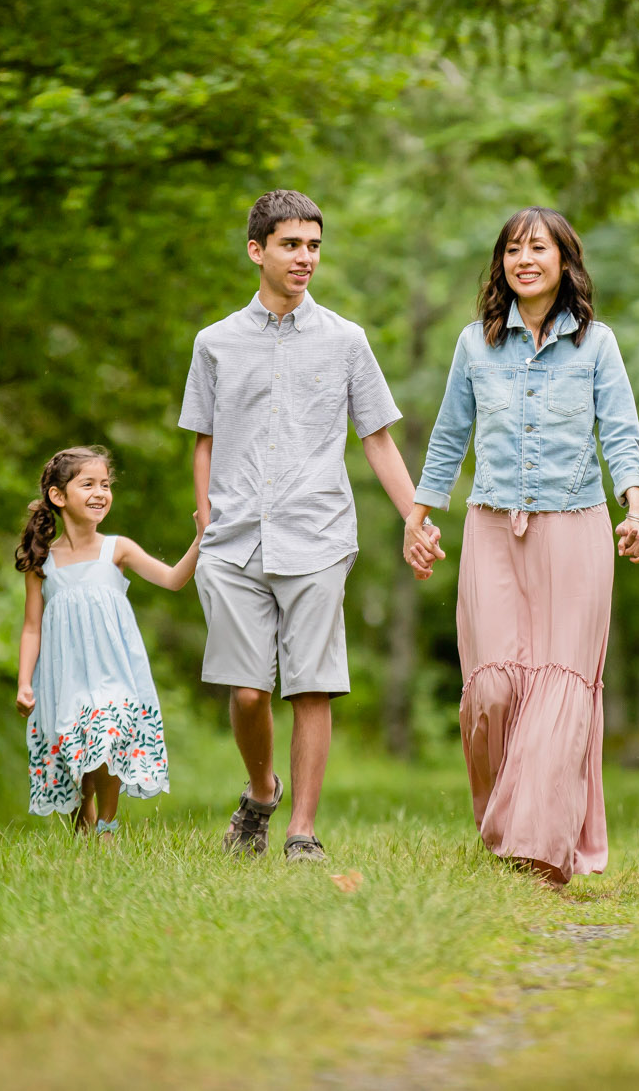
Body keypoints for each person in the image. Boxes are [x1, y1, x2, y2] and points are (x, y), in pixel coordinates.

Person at [180, 189, 439, 865]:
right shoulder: (215, 344)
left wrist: (416, 515)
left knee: (312, 683)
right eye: (292, 245)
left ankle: (301, 830)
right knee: (245, 689)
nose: (305, 258)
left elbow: (378, 439)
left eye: (314, 246)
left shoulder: (346, 340)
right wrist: (206, 520)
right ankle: (262, 789)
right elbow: (203, 440)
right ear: (256, 250)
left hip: (319, 534)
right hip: (234, 539)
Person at [404, 207, 639, 887]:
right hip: (491, 527)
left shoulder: (597, 344)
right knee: (489, 686)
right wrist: (419, 516)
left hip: (574, 528)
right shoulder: (473, 344)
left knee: (560, 688)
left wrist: (638, 509)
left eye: (538, 248)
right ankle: (504, 822)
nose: (525, 259)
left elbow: (622, 437)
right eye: (513, 249)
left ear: (564, 261)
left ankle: (541, 845)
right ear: (501, 264)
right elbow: (448, 436)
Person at [15, 445, 199, 839]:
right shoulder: (42, 562)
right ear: (58, 496)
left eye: (105, 484)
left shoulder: (118, 549)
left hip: (113, 670)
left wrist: (202, 538)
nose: (101, 492)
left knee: (109, 734)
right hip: (65, 675)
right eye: (88, 484)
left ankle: (108, 827)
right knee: (75, 750)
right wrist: (25, 683)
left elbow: (171, 579)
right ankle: (84, 816)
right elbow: (32, 627)